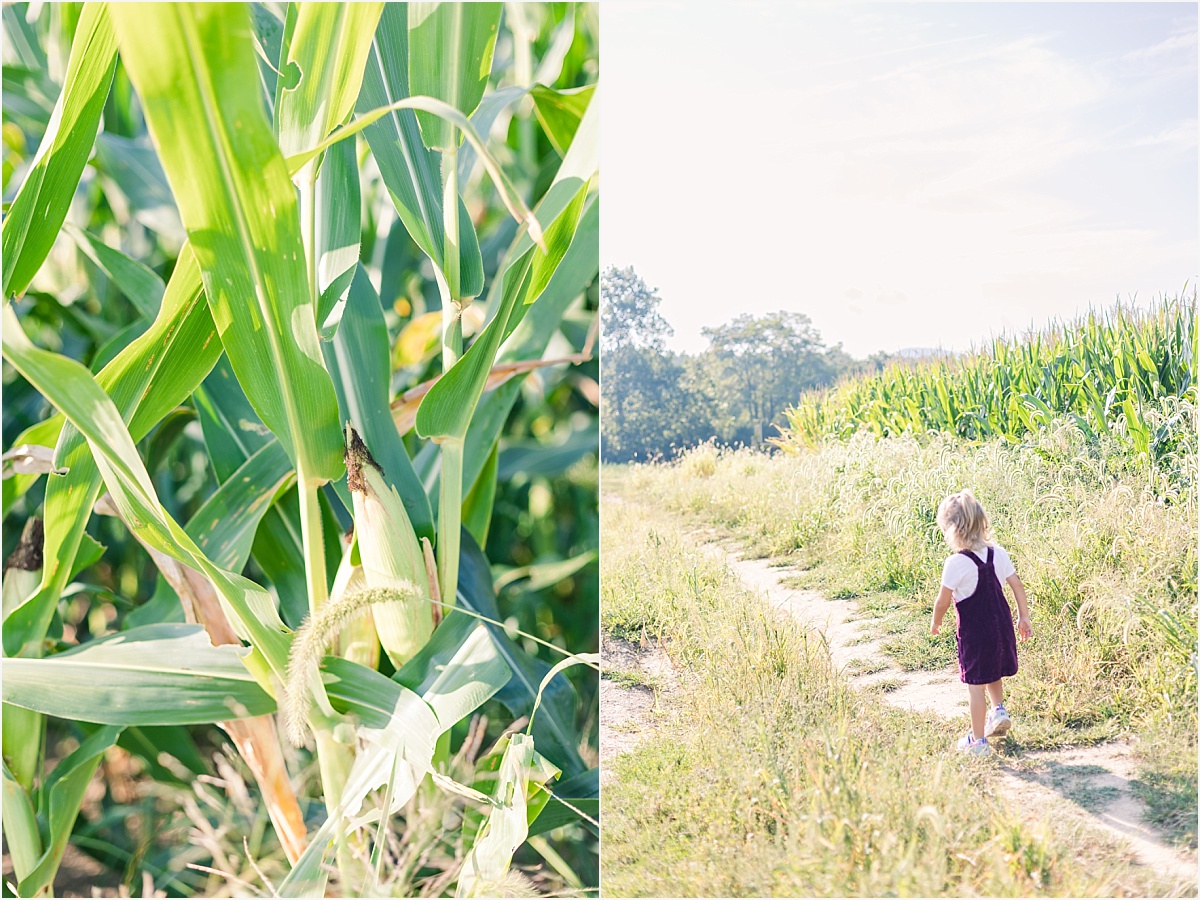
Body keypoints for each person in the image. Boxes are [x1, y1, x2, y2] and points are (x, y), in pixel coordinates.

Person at [930, 489, 1032, 756]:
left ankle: (978, 742)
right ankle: (998, 710)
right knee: (993, 671)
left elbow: (942, 601)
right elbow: (1017, 585)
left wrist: (936, 622)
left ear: (953, 530)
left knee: (975, 685)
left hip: (975, 634)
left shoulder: (955, 563)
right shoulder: (998, 554)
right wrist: (1024, 616)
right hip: (1001, 629)